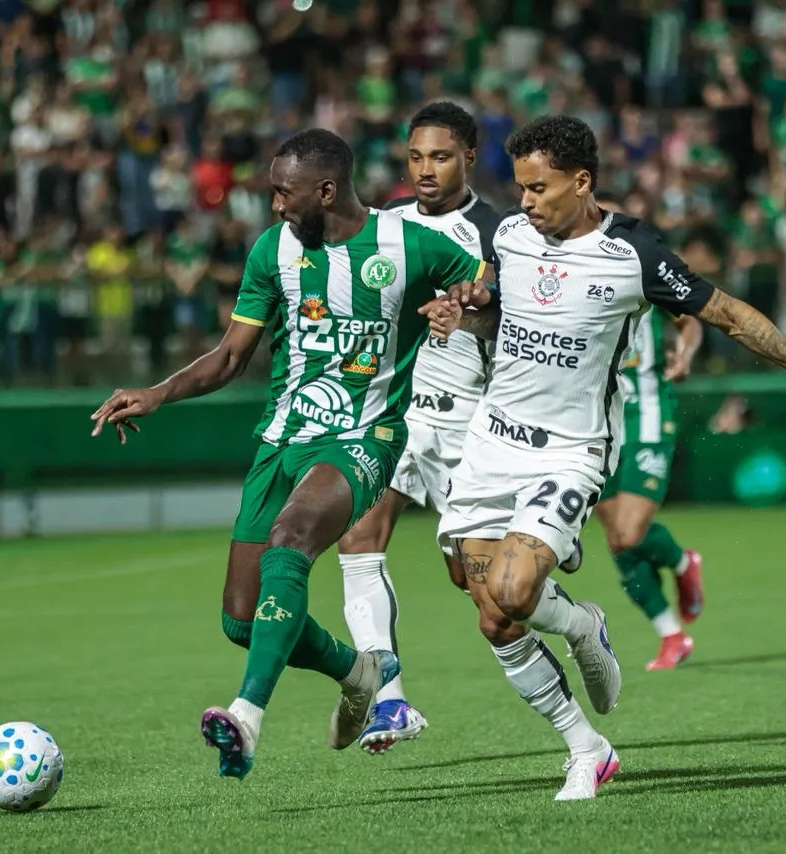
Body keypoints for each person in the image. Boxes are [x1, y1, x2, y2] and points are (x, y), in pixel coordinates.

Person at [426, 115, 786, 801]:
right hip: (488, 444)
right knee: (489, 612)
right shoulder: (508, 236)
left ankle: (580, 629)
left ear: (582, 180)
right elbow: (494, 314)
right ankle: (585, 734)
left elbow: (731, 316)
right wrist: (467, 313)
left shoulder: (633, 254)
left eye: (539, 188)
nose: (527, 202)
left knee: (513, 591)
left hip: (568, 453)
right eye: (521, 189)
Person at [89, 129, 486, 781]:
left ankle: (246, 717)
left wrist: (463, 304)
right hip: (282, 441)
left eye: (282, 191)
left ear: (325, 191)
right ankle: (358, 670)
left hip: (364, 437)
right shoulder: (273, 251)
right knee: (242, 621)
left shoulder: (407, 243)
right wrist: (157, 394)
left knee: (291, 538)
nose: (273, 204)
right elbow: (228, 358)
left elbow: (486, 284)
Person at [334, 101, 502, 754]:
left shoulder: (499, 231)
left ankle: (575, 624)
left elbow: (513, 325)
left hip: (471, 423)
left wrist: (469, 315)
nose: (424, 170)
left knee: (485, 592)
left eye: (439, 156)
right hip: (395, 414)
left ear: (467, 156)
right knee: (359, 538)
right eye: (414, 157)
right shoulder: (382, 226)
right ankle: (391, 700)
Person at [582, 194, 707, 672]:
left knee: (631, 531)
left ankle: (679, 562)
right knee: (617, 540)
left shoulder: (639, 263)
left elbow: (689, 317)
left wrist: (685, 353)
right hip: (593, 421)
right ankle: (671, 635)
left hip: (647, 412)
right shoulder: (567, 270)